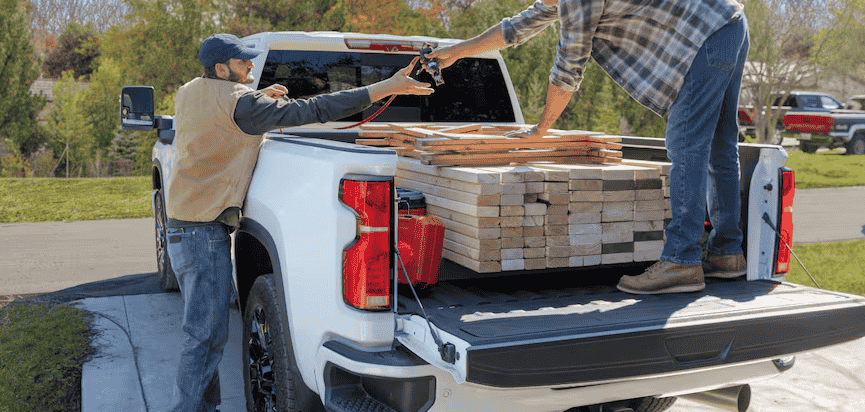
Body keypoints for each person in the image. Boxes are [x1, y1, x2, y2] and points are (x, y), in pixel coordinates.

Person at [165, 33, 433, 412]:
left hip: (183, 226)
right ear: (222, 69)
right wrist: (385, 87)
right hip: (202, 234)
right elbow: (314, 109)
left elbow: (228, 114)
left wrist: (260, 98)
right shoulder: (242, 103)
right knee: (204, 340)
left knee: (204, 338)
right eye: (244, 64)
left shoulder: (192, 90)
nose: (251, 68)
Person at [428, 0, 750, 294]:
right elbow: (516, 28)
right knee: (721, 146)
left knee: (686, 146)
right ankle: (726, 254)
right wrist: (459, 50)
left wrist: (540, 129)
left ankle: (682, 260)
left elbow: (568, 66)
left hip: (705, 36)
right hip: (727, 24)